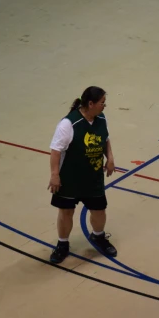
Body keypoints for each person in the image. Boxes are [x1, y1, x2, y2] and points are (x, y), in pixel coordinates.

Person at [47, 86, 118, 263]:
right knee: (66, 211)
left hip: (93, 176)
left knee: (99, 210)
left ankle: (98, 236)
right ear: (90, 103)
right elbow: (55, 151)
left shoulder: (101, 118)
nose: (104, 106)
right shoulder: (68, 124)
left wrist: (109, 157)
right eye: (102, 103)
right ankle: (62, 244)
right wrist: (55, 175)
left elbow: (105, 138)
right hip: (70, 178)